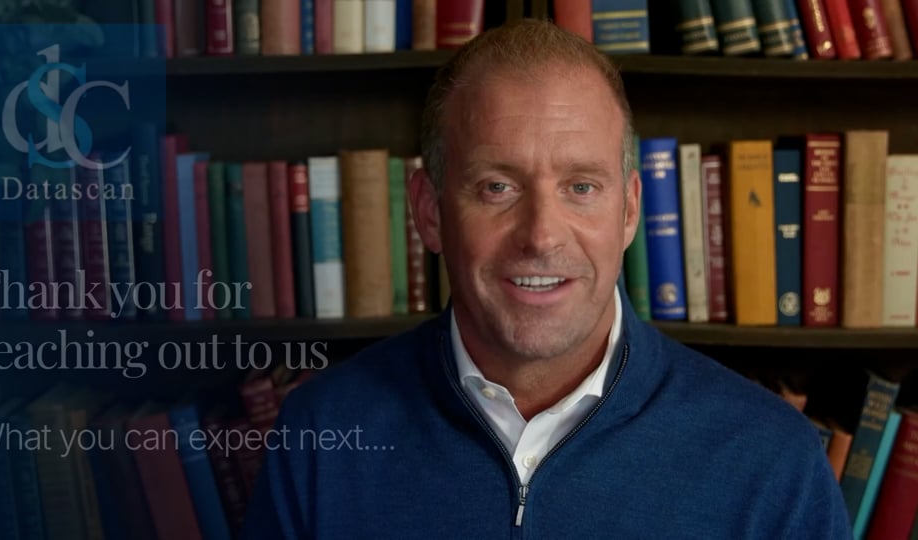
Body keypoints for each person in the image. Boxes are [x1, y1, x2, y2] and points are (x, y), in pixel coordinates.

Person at [242, 19, 851, 539]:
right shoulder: (321, 436)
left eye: (581, 187)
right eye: (497, 187)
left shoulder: (773, 459)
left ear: (629, 211)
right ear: (429, 213)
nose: (541, 236)